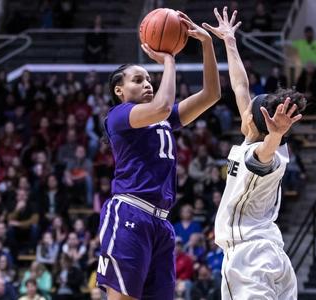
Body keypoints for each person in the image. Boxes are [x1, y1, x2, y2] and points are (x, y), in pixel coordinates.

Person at [96, 10, 221, 300]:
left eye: (149, 79)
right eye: (138, 80)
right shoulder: (119, 116)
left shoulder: (163, 118)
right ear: (119, 91)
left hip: (162, 222)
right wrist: (168, 59)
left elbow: (211, 94)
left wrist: (206, 44)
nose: (148, 84)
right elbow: (164, 105)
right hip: (129, 211)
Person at [204, 8, 303, 299]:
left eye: (247, 109)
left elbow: (265, 153)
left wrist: (276, 134)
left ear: (253, 121)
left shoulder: (263, 152)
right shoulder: (261, 142)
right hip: (272, 254)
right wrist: (229, 42)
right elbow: (240, 85)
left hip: (248, 257)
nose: (242, 107)